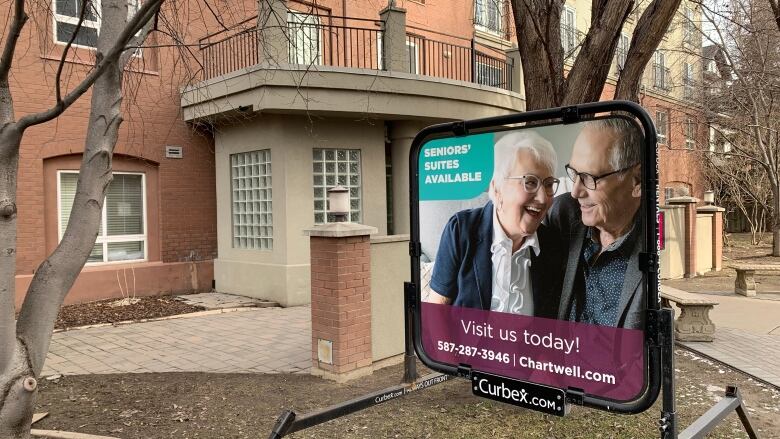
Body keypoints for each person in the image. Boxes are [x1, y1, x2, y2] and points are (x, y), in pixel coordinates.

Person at [424, 130, 564, 318]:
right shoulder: (461, 230)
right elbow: (436, 313)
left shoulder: (553, 245)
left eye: (548, 184)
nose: (542, 198)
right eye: (530, 182)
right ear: (497, 188)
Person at [546, 117, 645, 329]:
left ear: (637, 180)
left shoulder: (652, 249)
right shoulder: (564, 214)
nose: (576, 191)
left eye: (589, 177)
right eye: (574, 173)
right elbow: (508, 219)